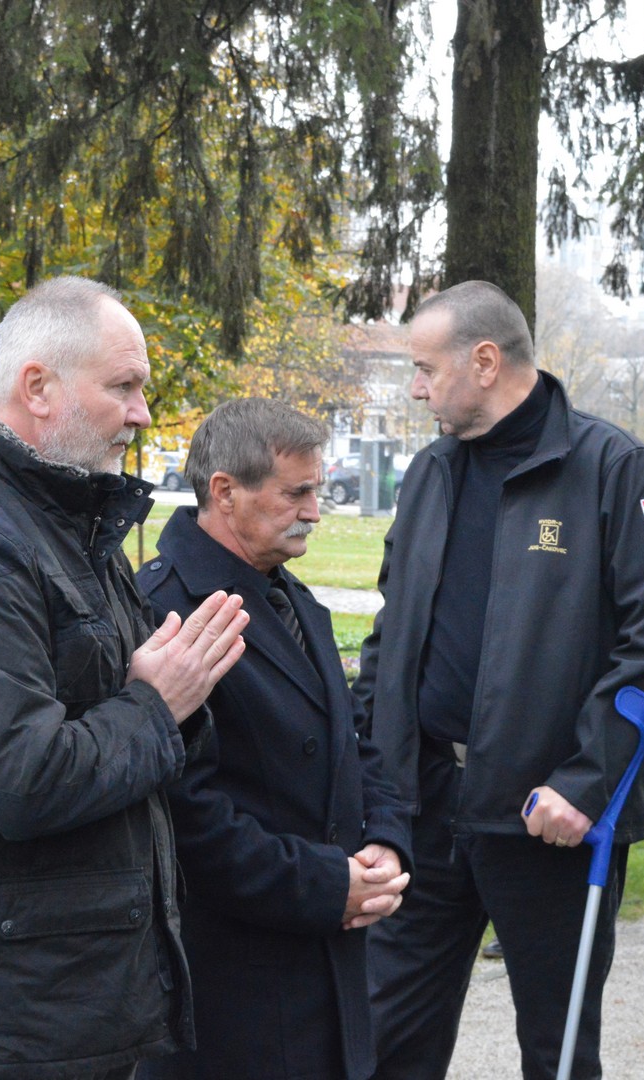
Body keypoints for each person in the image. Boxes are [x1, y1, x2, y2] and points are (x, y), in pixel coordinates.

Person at [0, 276, 250, 1079]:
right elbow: (17, 777)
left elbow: (135, 714)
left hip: (76, 999)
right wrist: (159, 703)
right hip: (9, 1018)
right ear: (37, 387)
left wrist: (173, 701)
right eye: (124, 387)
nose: (143, 414)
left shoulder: (71, 527)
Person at [355, 280, 644, 1080]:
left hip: (549, 818)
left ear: (484, 361)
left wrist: (585, 783)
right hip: (425, 809)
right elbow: (393, 630)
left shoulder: (614, 467)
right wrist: (374, 759)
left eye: (423, 369)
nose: (414, 388)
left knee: (556, 1047)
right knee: (383, 1034)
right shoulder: (431, 472)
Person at [136, 399, 413, 1080]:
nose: (316, 511)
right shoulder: (167, 611)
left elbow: (352, 741)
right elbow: (181, 814)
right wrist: (325, 885)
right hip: (237, 996)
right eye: (297, 492)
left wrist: (383, 841)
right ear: (225, 492)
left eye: (315, 489)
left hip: (323, 974)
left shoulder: (290, 598)